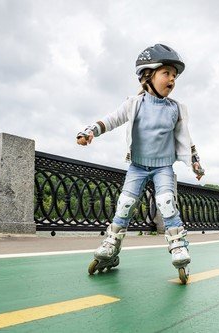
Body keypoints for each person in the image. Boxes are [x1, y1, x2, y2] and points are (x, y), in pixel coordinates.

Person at [77, 43, 204, 284]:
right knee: (124, 204)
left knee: (166, 201)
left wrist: (195, 163)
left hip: (163, 166)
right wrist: (91, 131)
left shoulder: (175, 109)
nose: (172, 79)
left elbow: (186, 140)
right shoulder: (134, 104)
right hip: (137, 165)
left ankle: (178, 245)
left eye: (174, 76)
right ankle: (111, 246)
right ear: (148, 75)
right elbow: (111, 119)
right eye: (166, 73)